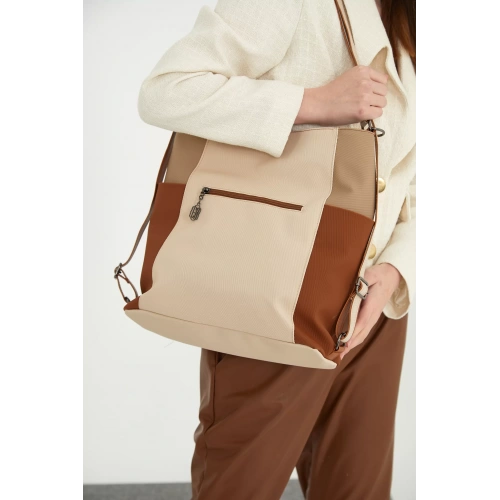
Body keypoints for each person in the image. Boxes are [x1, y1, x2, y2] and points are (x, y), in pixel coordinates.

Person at [137, 0, 415, 498]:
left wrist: (398, 267)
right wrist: (311, 102)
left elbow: (413, 169)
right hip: (277, 293)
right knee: (239, 487)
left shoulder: (411, 21)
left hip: (374, 305)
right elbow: (166, 90)